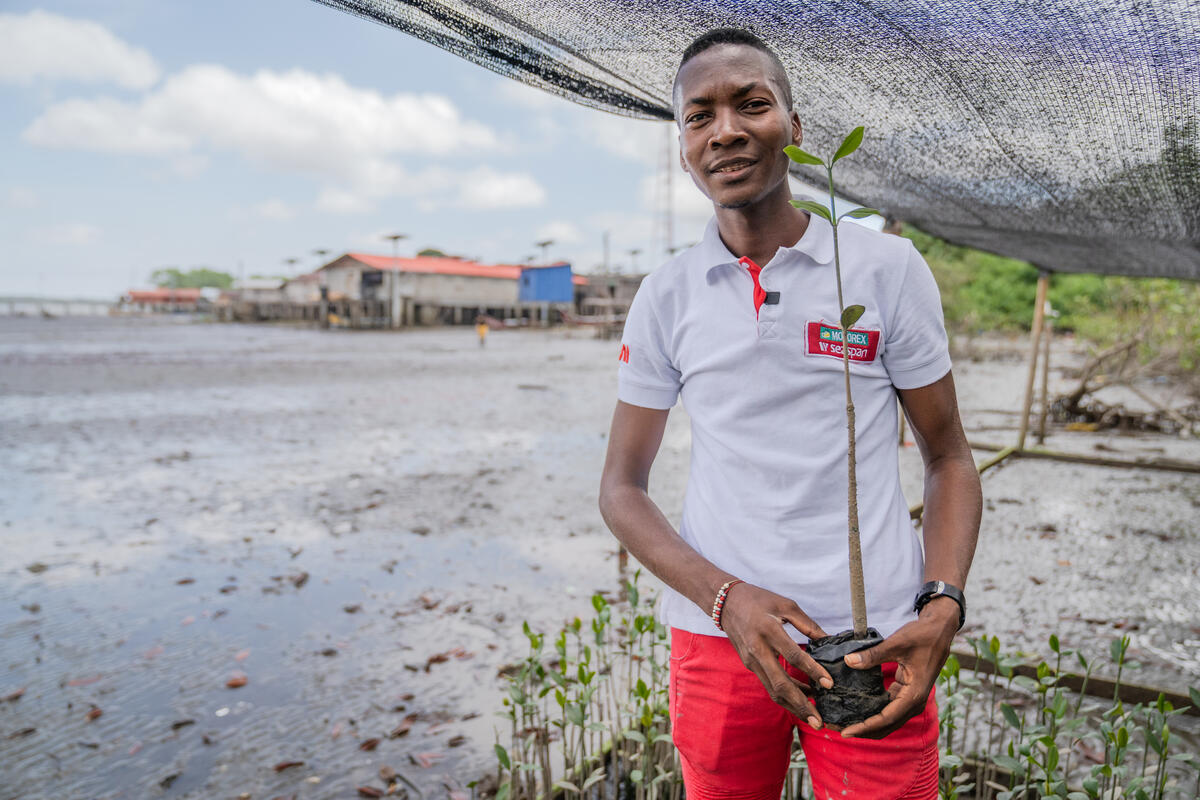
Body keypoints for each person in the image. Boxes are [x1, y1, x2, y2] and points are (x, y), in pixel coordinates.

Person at [597, 28, 982, 800]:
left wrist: (943, 604)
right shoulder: (666, 295)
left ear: (795, 129)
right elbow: (622, 488)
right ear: (684, 150)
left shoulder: (880, 268)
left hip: (875, 641)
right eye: (699, 116)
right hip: (717, 641)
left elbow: (947, 457)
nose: (726, 129)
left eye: (752, 104)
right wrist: (725, 600)